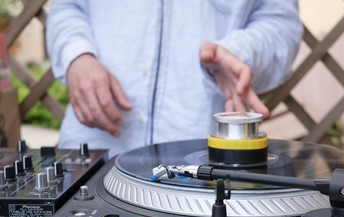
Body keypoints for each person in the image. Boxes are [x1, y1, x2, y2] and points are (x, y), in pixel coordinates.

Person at [46, 0, 303, 157]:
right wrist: (77, 56)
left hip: (200, 167)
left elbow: (280, 24)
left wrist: (239, 51)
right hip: (92, 150)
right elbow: (67, 7)